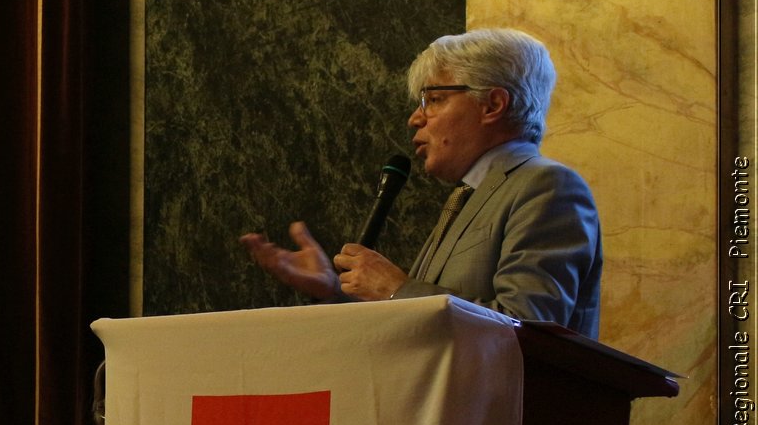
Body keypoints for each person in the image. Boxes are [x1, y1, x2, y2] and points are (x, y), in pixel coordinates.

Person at [240, 27, 602, 338]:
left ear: (492, 104)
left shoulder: (546, 187)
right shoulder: (469, 195)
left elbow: (528, 328)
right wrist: (336, 290)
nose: (416, 118)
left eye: (434, 99)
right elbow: (425, 318)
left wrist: (395, 287)